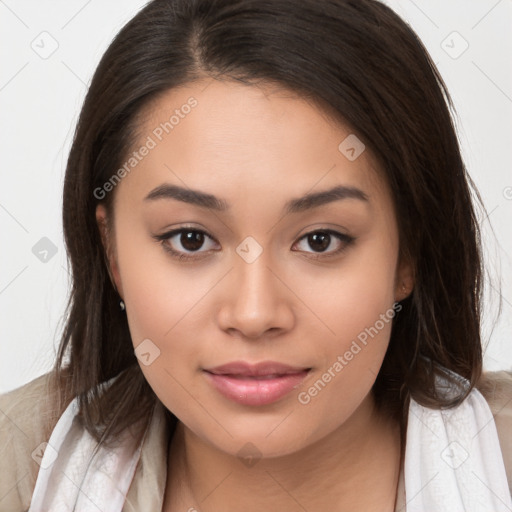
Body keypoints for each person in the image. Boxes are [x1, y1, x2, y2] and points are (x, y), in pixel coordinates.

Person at [1, 0, 511, 510]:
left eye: (320, 240)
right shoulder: (19, 462)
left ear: (408, 255)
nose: (254, 314)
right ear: (112, 253)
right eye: (190, 239)